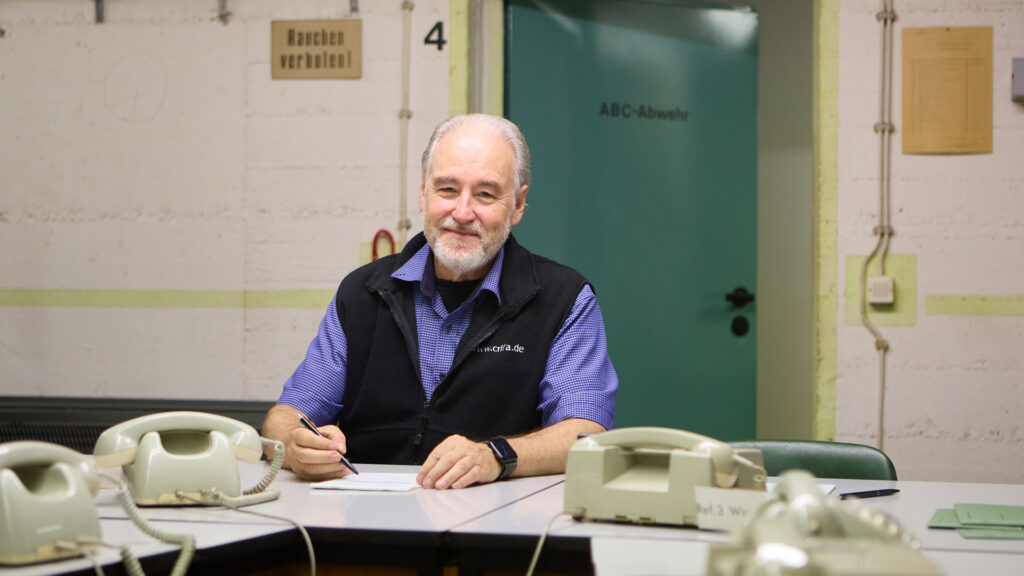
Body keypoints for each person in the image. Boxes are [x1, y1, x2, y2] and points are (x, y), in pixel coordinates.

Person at [262, 114, 617, 490]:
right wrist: (294, 445)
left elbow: (585, 433)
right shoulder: (362, 292)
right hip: (364, 515)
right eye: (447, 189)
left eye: (485, 194)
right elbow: (285, 416)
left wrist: (495, 456)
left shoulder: (562, 300)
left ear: (517, 204)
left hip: (498, 518)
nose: (462, 213)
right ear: (423, 193)